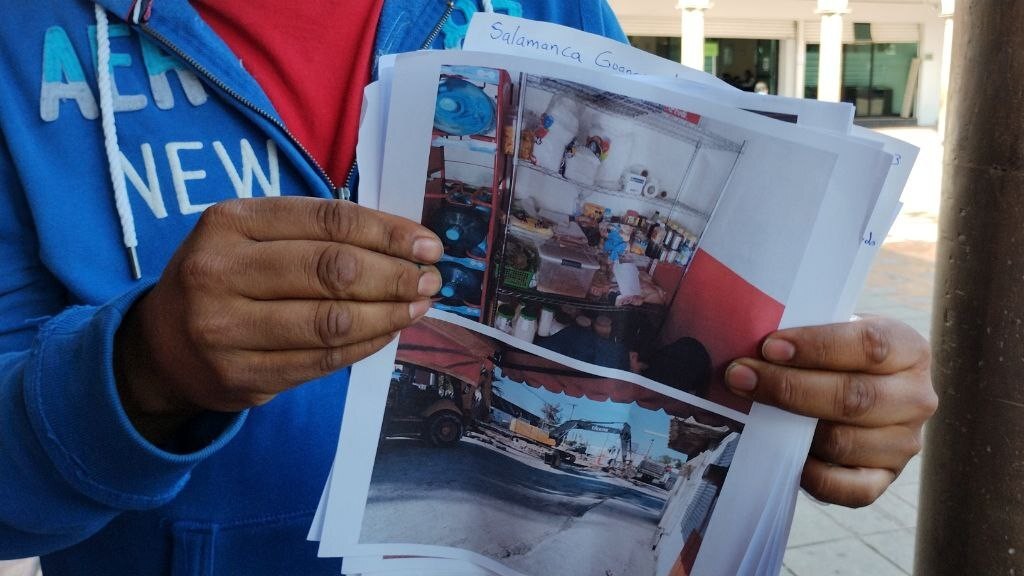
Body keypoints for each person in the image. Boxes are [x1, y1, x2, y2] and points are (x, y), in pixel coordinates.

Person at [0, 0, 936, 573]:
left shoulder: (547, 3)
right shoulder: (22, 34)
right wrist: (142, 371)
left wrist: (806, 403)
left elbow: (666, 350)